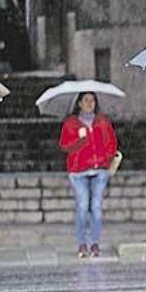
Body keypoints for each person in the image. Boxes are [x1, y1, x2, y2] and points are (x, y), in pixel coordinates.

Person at [58, 92, 118, 258]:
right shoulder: (71, 123)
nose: (89, 103)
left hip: (99, 170)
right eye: (86, 100)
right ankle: (81, 243)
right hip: (78, 171)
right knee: (83, 206)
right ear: (79, 103)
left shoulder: (103, 121)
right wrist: (80, 140)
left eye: (92, 100)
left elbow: (112, 143)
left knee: (97, 208)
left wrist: (107, 158)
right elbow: (64, 146)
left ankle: (94, 243)